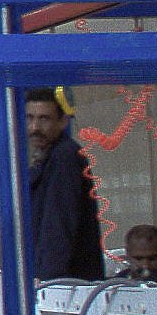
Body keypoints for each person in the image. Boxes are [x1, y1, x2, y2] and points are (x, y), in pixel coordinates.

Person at [24, 89, 106, 282]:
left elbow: (58, 226)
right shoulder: (49, 157)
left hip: (66, 284)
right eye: (29, 118)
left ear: (63, 122)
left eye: (44, 119)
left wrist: (46, 281)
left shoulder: (64, 157)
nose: (35, 127)